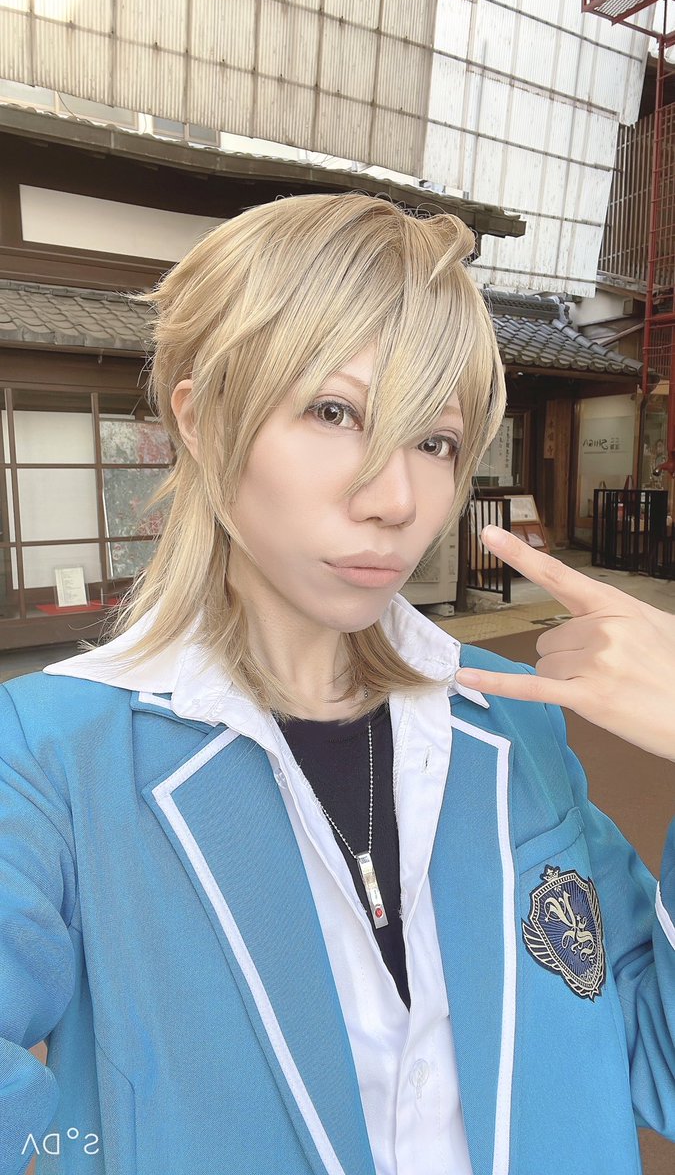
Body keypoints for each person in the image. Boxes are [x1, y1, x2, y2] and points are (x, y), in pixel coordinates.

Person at [0, 191, 673, 1175]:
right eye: (333, 412)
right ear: (202, 420)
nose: (396, 500)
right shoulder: (50, 754)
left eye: (435, 441)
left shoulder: (509, 714)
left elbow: (659, 1063)